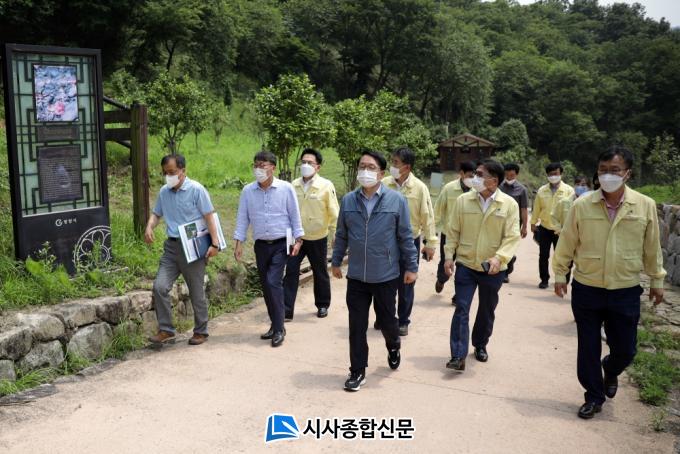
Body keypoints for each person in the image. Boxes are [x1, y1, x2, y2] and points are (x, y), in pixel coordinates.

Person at [553, 146, 665, 420]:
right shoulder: (582, 205)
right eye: (603, 170)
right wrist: (560, 274)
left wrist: (657, 279)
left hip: (625, 288)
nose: (607, 176)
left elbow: (652, 247)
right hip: (587, 286)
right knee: (588, 346)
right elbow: (567, 241)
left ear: (628, 173)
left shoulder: (644, 205)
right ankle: (593, 396)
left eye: (614, 170)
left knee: (626, 349)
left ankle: (611, 368)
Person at [331, 150, 418, 391]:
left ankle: (393, 344)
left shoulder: (396, 200)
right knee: (357, 326)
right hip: (357, 276)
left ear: (381, 173)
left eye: (370, 167)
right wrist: (336, 261)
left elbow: (405, 236)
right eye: (362, 166)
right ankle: (357, 371)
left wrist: (412, 267)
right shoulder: (349, 200)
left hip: (385, 275)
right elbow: (341, 234)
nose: (365, 171)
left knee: (388, 322)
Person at [443, 160, 521, 372]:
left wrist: (499, 258)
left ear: (493, 181)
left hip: (493, 268)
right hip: (466, 263)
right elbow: (453, 230)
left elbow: (512, 237)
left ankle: (480, 344)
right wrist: (449, 256)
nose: (474, 178)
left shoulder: (509, 205)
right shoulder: (463, 200)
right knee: (461, 307)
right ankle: (458, 355)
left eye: (479, 174)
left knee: (486, 309)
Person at [145, 154, 219, 346]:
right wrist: (150, 226)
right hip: (171, 247)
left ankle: (201, 331)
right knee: (160, 286)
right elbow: (156, 214)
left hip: (193, 247)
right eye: (165, 173)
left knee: (196, 292)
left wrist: (215, 244)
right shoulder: (164, 192)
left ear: (183, 171)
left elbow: (209, 216)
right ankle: (166, 329)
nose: (168, 176)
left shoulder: (196, 190)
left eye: (172, 172)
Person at [233, 151, 304, 347]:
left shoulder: (285, 188)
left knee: (273, 282)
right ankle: (275, 324)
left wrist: (298, 240)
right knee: (266, 285)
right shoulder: (248, 191)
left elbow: (294, 215)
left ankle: (279, 328)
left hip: (281, 243)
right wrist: (238, 243)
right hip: (261, 245)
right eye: (256, 165)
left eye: (262, 165)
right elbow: (242, 218)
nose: (258, 169)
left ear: (273, 167)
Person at [379, 147, 438, 336]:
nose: (392, 166)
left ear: (407, 167)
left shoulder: (419, 188)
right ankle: (385, 316)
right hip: (385, 242)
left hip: (409, 242)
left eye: (396, 163)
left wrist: (430, 243)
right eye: (392, 161)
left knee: (406, 282)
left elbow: (427, 217)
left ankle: (403, 321)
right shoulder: (383, 184)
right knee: (383, 282)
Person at [283, 148, 339, 320]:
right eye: (303, 162)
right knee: (291, 271)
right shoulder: (293, 185)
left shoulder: (326, 186)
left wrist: (335, 233)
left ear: (318, 167)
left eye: (310, 163)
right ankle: (286, 309)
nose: (305, 165)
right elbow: (286, 210)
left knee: (320, 271)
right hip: (296, 237)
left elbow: (334, 211)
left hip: (317, 237)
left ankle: (322, 304)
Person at [433, 161, 476, 303]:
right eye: (470, 175)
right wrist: (431, 231)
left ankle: (459, 295)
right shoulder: (449, 188)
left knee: (464, 266)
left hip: (468, 236)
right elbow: (438, 210)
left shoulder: (477, 190)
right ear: (462, 173)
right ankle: (441, 279)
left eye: (475, 175)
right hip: (449, 234)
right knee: (445, 261)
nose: (473, 178)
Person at [530, 162, 575, 289]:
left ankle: (563, 279)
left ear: (561, 174)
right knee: (543, 255)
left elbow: (572, 210)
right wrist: (533, 222)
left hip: (561, 229)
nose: (553, 176)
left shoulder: (569, 191)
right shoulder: (542, 190)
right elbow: (537, 207)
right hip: (544, 227)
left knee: (562, 256)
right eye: (550, 174)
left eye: (555, 173)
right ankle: (544, 280)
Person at [499, 163, 529, 284]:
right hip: (499, 221)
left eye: (511, 175)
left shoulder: (522, 190)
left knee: (509, 246)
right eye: (507, 175)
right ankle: (502, 267)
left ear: (516, 174)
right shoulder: (499, 187)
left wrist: (524, 227)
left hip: (514, 224)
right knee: (498, 245)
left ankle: (506, 273)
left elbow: (524, 209)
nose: (509, 178)